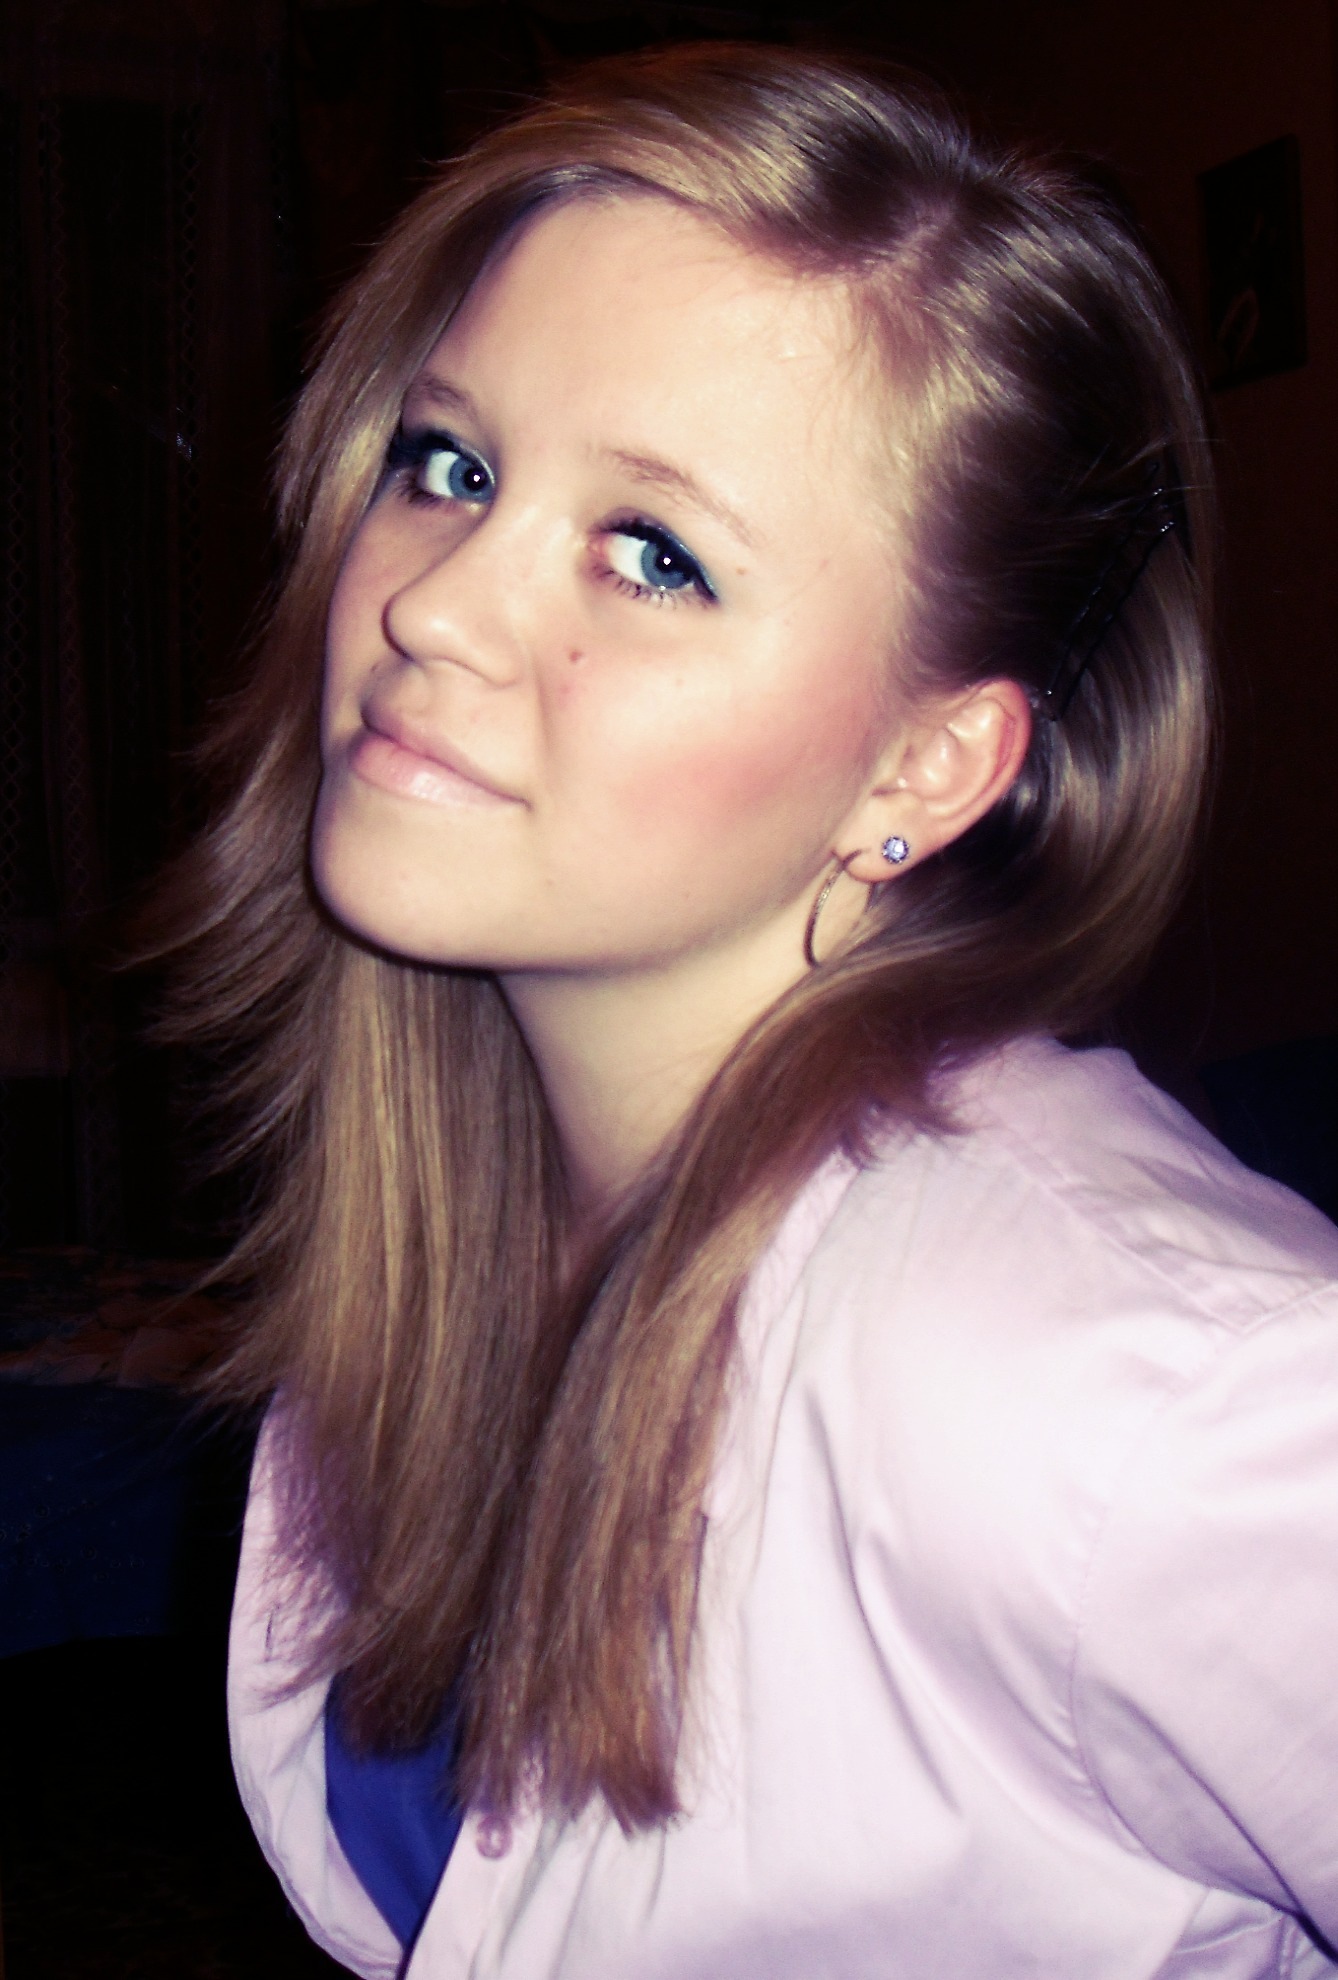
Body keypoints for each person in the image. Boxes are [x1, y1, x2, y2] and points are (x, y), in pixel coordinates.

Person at [158, 41, 1338, 1979]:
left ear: (923, 770)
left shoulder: (1123, 1395)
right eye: (450, 465)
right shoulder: (453, 1247)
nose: (433, 606)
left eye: (654, 557)